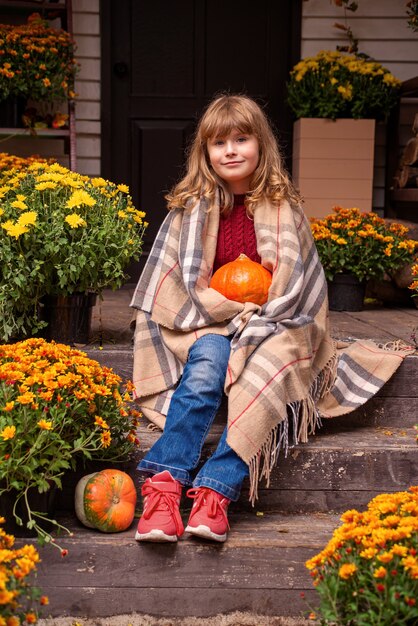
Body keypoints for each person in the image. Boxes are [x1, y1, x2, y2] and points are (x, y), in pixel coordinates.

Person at [130, 93, 412, 544]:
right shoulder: (189, 210)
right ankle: (163, 486)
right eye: (219, 143)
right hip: (208, 319)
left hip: (275, 321)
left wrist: (255, 319)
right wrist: (227, 316)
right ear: (204, 153)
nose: (231, 150)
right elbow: (175, 289)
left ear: (261, 144)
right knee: (206, 366)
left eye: (241, 139)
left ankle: (215, 490)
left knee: (262, 372)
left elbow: (297, 289)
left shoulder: (284, 207)